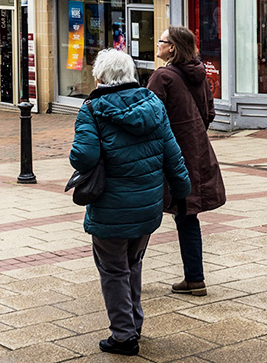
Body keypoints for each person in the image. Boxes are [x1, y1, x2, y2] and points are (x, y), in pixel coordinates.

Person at [70, 49, 191, 357]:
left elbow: (83, 157)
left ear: (100, 77)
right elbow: (173, 154)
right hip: (147, 206)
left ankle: (124, 336)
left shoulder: (92, 109)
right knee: (133, 263)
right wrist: (182, 193)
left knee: (113, 270)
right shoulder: (153, 105)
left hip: (110, 208)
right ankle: (134, 323)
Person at [146, 26, 226, 297]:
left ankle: (127, 275)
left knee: (142, 211)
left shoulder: (162, 77)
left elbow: (149, 118)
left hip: (169, 155)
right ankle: (195, 278)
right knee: (187, 215)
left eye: (161, 40)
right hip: (196, 152)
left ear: (173, 47)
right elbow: (209, 113)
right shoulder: (200, 75)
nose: (157, 44)